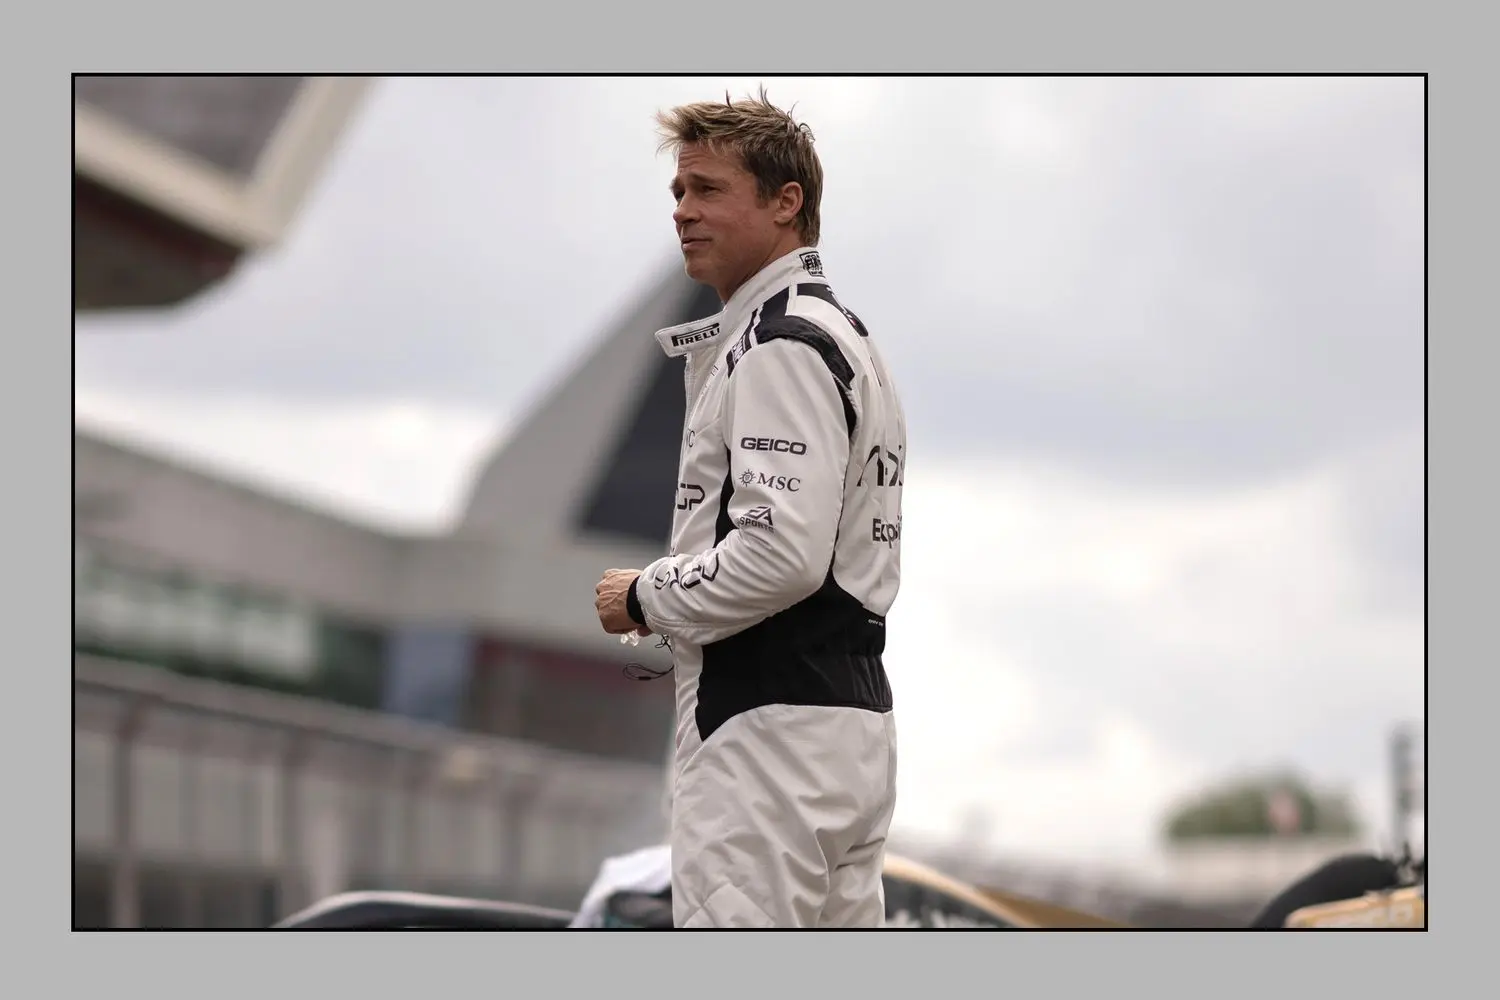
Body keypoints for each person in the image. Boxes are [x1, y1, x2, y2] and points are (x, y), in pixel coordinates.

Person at [594, 89, 906, 928]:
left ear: (785, 202)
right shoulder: (845, 336)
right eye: (677, 191)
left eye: (707, 189)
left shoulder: (778, 344)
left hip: (764, 735)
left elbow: (780, 555)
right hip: (844, 726)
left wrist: (643, 596)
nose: (683, 211)